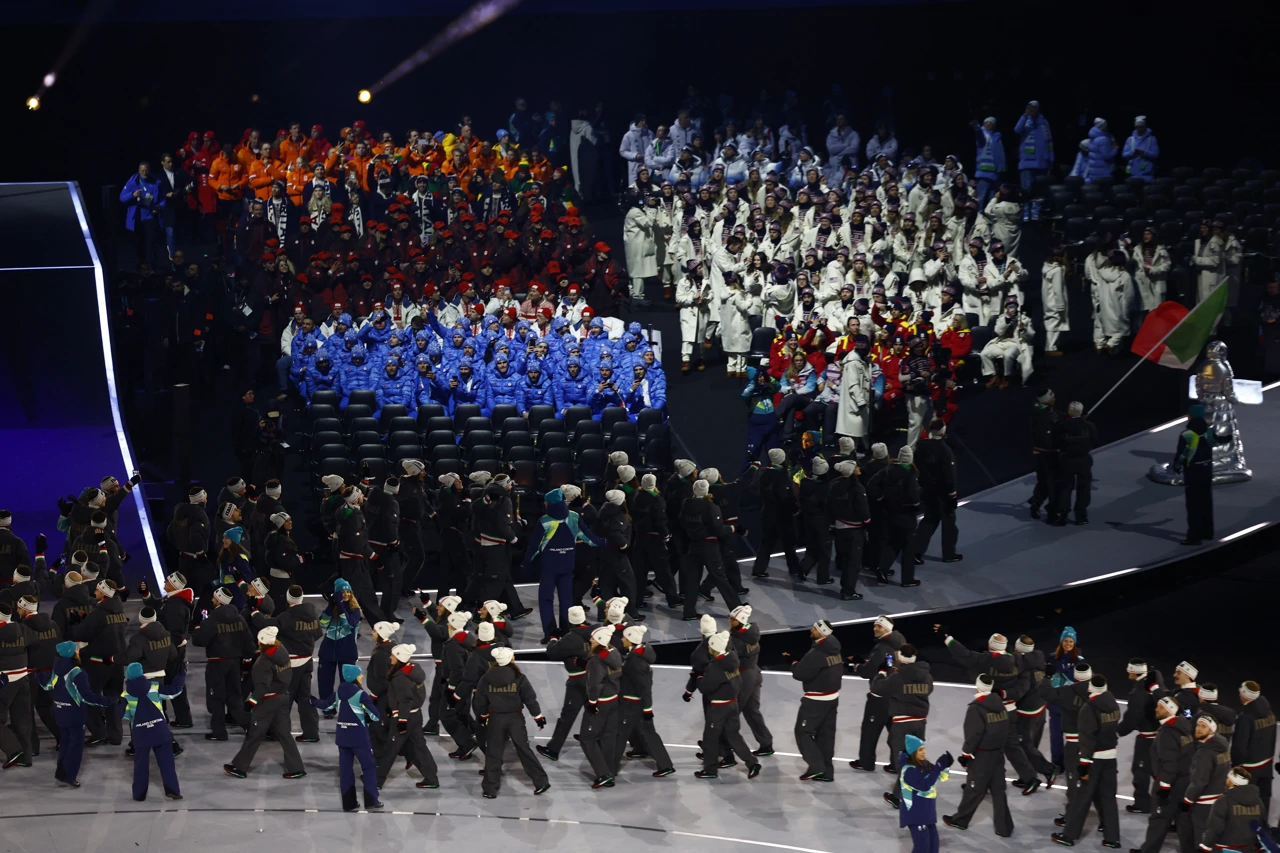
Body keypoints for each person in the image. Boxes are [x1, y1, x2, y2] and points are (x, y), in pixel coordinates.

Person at [224, 626, 307, 780]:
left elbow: (263, 686)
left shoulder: (263, 663)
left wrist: (251, 702)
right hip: (283, 697)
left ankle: (240, 767)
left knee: (254, 734)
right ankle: (296, 768)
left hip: (267, 702)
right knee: (285, 735)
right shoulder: (282, 651)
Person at [523, 488, 602, 643]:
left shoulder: (544, 521)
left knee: (546, 599)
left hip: (549, 568)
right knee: (566, 599)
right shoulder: (574, 517)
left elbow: (535, 546)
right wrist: (604, 543)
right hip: (567, 566)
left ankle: (551, 633)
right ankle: (567, 632)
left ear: (549, 503)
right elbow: (587, 537)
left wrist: (526, 562)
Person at [1052, 674, 1122, 849]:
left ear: (1090, 688)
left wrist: (1084, 763)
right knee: (1108, 798)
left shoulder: (1088, 709)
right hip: (1111, 756)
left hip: (1094, 760)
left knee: (1082, 798)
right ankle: (1112, 837)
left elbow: (1087, 738)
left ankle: (1069, 835)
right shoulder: (1113, 703)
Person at [473, 645, 550, 798]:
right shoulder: (519, 678)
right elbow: (530, 699)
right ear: (511, 659)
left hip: (495, 719)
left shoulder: (486, 678)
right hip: (515, 718)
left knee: (493, 752)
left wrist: (482, 716)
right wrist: (538, 718)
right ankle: (541, 781)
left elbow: (480, 700)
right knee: (523, 749)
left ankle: (490, 788)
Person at [943, 674, 1013, 836]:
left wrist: (966, 755)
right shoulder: (1000, 706)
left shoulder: (976, 708)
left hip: (981, 757)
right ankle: (1004, 827)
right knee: (998, 791)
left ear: (978, 686)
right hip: (998, 754)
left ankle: (961, 820)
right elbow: (1006, 729)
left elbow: (973, 735)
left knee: (974, 789)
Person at [693, 630, 761, 780]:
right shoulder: (732, 660)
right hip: (732, 704)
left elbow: (705, 688)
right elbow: (739, 683)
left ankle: (710, 769)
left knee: (710, 738)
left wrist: (698, 678)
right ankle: (752, 762)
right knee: (734, 735)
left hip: (718, 708)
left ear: (714, 649)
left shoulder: (715, 667)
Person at [314, 664, 383, 811]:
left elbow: (326, 706)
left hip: (342, 737)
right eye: (360, 674)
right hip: (359, 738)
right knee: (369, 767)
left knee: (345, 771)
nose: (362, 676)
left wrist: (310, 700)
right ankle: (372, 801)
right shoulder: (361, 695)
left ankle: (349, 803)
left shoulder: (339, 692)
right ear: (354, 678)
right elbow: (375, 716)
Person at [43, 641, 110, 786]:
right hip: (75, 715)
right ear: (71, 653)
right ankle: (69, 775)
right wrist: (108, 701)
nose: (78, 652)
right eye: (76, 650)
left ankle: (61, 773)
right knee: (76, 746)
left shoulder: (56, 668)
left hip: (60, 712)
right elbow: (87, 697)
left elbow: (47, 685)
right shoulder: (77, 673)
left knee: (65, 742)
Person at [378, 643, 441, 791]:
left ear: (399, 658)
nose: (390, 657)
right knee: (419, 747)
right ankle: (431, 777)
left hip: (404, 717)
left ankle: (377, 781)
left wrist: (401, 720)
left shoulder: (400, 678)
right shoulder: (413, 670)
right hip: (416, 715)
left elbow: (405, 700)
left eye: (393, 655)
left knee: (391, 750)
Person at [120, 661, 186, 801]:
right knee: (167, 763)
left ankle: (139, 794)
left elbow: (123, 715)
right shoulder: (154, 687)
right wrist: (181, 675)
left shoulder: (125, 695)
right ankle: (172, 790)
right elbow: (175, 691)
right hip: (160, 732)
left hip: (140, 735)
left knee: (140, 765)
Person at [878, 644, 934, 808]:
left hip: (903, 723)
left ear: (900, 658)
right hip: (920, 722)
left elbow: (879, 688)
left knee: (902, 760)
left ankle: (903, 796)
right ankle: (900, 794)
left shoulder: (897, 678)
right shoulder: (926, 676)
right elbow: (928, 690)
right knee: (914, 757)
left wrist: (882, 673)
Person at [538, 605, 592, 762]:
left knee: (567, 715)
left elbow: (552, 652)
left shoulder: (572, 638)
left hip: (578, 681)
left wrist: (553, 639)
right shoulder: (596, 631)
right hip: (595, 677)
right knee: (593, 710)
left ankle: (553, 749)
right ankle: (590, 737)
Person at [792, 619, 842, 782]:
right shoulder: (835, 649)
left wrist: (793, 664)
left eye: (814, 629)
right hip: (832, 698)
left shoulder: (816, 653)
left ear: (821, 632)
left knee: (803, 732)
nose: (811, 631)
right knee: (826, 735)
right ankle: (827, 772)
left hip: (816, 700)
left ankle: (816, 766)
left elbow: (800, 674)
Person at [581, 625, 623, 788]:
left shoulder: (596, 660)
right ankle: (609, 771)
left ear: (598, 640)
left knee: (587, 738)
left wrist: (592, 703)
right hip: (614, 700)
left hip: (601, 703)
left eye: (592, 638)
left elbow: (594, 684)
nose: (590, 640)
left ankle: (603, 774)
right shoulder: (614, 653)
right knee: (608, 737)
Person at [751, 448, 804, 578]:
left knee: (766, 542)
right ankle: (794, 569)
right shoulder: (781, 475)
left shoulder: (764, 472)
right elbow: (784, 496)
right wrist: (795, 509)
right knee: (788, 543)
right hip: (782, 514)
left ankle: (759, 568)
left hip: (767, 512)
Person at [913, 420, 960, 564]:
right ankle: (949, 554)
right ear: (943, 431)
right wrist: (952, 495)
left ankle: (915, 552)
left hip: (927, 491)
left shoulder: (920, 447)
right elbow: (949, 476)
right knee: (949, 525)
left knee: (929, 521)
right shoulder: (945, 451)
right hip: (943, 494)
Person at [897, 735, 955, 853]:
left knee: (933, 846)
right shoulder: (908, 770)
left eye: (924, 748)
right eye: (920, 750)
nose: (924, 752)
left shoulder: (924, 764)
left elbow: (939, 777)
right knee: (922, 847)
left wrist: (945, 767)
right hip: (915, 813)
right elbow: (924, 786)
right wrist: (938, 768)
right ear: (912, 752)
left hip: (927, 811)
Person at [1184, 715, 1232, 849]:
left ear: (1211, 730)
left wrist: (1187, 800)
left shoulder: (1204, 753)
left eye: (1203, 726)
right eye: (1198, 725)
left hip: (1203, 804)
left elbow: (1199, 782)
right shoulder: (1223, 746)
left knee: (1201, 841)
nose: (1198, 729)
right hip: (1219, 798)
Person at [1233, 681, 1276, 825]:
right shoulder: (1270, 713)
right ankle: (1261, 839)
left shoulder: (1246, 717)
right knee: (1263, 805)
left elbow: (1240, 746)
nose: (1239, 693)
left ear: (1245, 695)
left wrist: (1236, 765)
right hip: (1266, 767)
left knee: (1247, 807)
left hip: (1250, 771)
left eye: (1240, 691)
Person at [878, 445, 921, 587]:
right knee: (909, 547)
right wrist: (916, 504)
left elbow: (873, 485)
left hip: (891, 513)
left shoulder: (888, 469)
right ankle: (908, 579)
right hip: (907, 515)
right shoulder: (910, 473)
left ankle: (882, 568)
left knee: (894, 542)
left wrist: (882, 499)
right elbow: (913, 496)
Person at [1173, 404, 1215, 545]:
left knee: (1194, 506)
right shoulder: (1208, 431)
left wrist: (1177, 467)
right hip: (1207, 470)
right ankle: (1207, 532)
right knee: (1206, 502)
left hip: (1193, 473)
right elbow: (1216, 443)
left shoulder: (1187, 435)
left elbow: (1182, 454)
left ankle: (1194, 537)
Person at [1057, 403, 1098, 525]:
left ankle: (1063, 513)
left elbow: (1056, 441)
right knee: (1084, 487)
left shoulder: (1061, 426)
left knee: (1065, 487)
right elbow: (1095, 440)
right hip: (1083, 460)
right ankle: (1081, 516)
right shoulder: (1089, 426)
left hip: (1067, 460)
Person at [1029, 389, 1063, 522]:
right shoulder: (1047, 415)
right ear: (1047, 400)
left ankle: (1036, 503)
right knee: (1055, 483)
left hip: (1039, 452)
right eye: (1052, 397)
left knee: (1043, 481)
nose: (1055, 398)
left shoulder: (1037, 411)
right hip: (1050, 454)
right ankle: (1053, 511)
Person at [1014, 101, 1054, 192]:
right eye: (1030, 107)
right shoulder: (1025, 121)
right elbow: (1017, 130)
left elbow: (1049, 142)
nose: (1032, 109)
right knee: (1027, 190)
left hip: (1042, 163)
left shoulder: (1044, 123)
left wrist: (1051, 159)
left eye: (1034, 107)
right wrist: (1025, 115)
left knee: (1040, 190)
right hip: (1027, 162)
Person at [971, 117, 1006, 206]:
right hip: (983, 173)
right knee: (981, 198)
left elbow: (1000, 155)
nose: (988, 124)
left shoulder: (997, 137)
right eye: (986, 123)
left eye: (990, 123)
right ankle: (979, 217)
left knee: (992, 200)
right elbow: (979, 135)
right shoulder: (982, 134)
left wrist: (1001, 169)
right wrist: (976, 127)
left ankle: (990, 218)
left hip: (994, 174)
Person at [1042, 244, 1069, 356]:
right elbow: (1058, 289)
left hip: (1048, 299)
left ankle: (1052, 345)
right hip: (1054, 300)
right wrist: (1061, 304)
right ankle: (1050, 347)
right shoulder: (1057, 270)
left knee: (1051, 322)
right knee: (1054, 323)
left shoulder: (1047, 267)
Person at [1122, 117, 1159, 182]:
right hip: (1132, 174)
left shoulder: (1151, 139)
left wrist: (1144, 153)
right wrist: (1132, 153)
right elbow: (1124, 154)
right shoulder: (1130, 139)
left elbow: (1155, 154)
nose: (1139, 129)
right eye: (1137, 127)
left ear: (1145, 127)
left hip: (1147, 174)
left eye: (1141, 127)